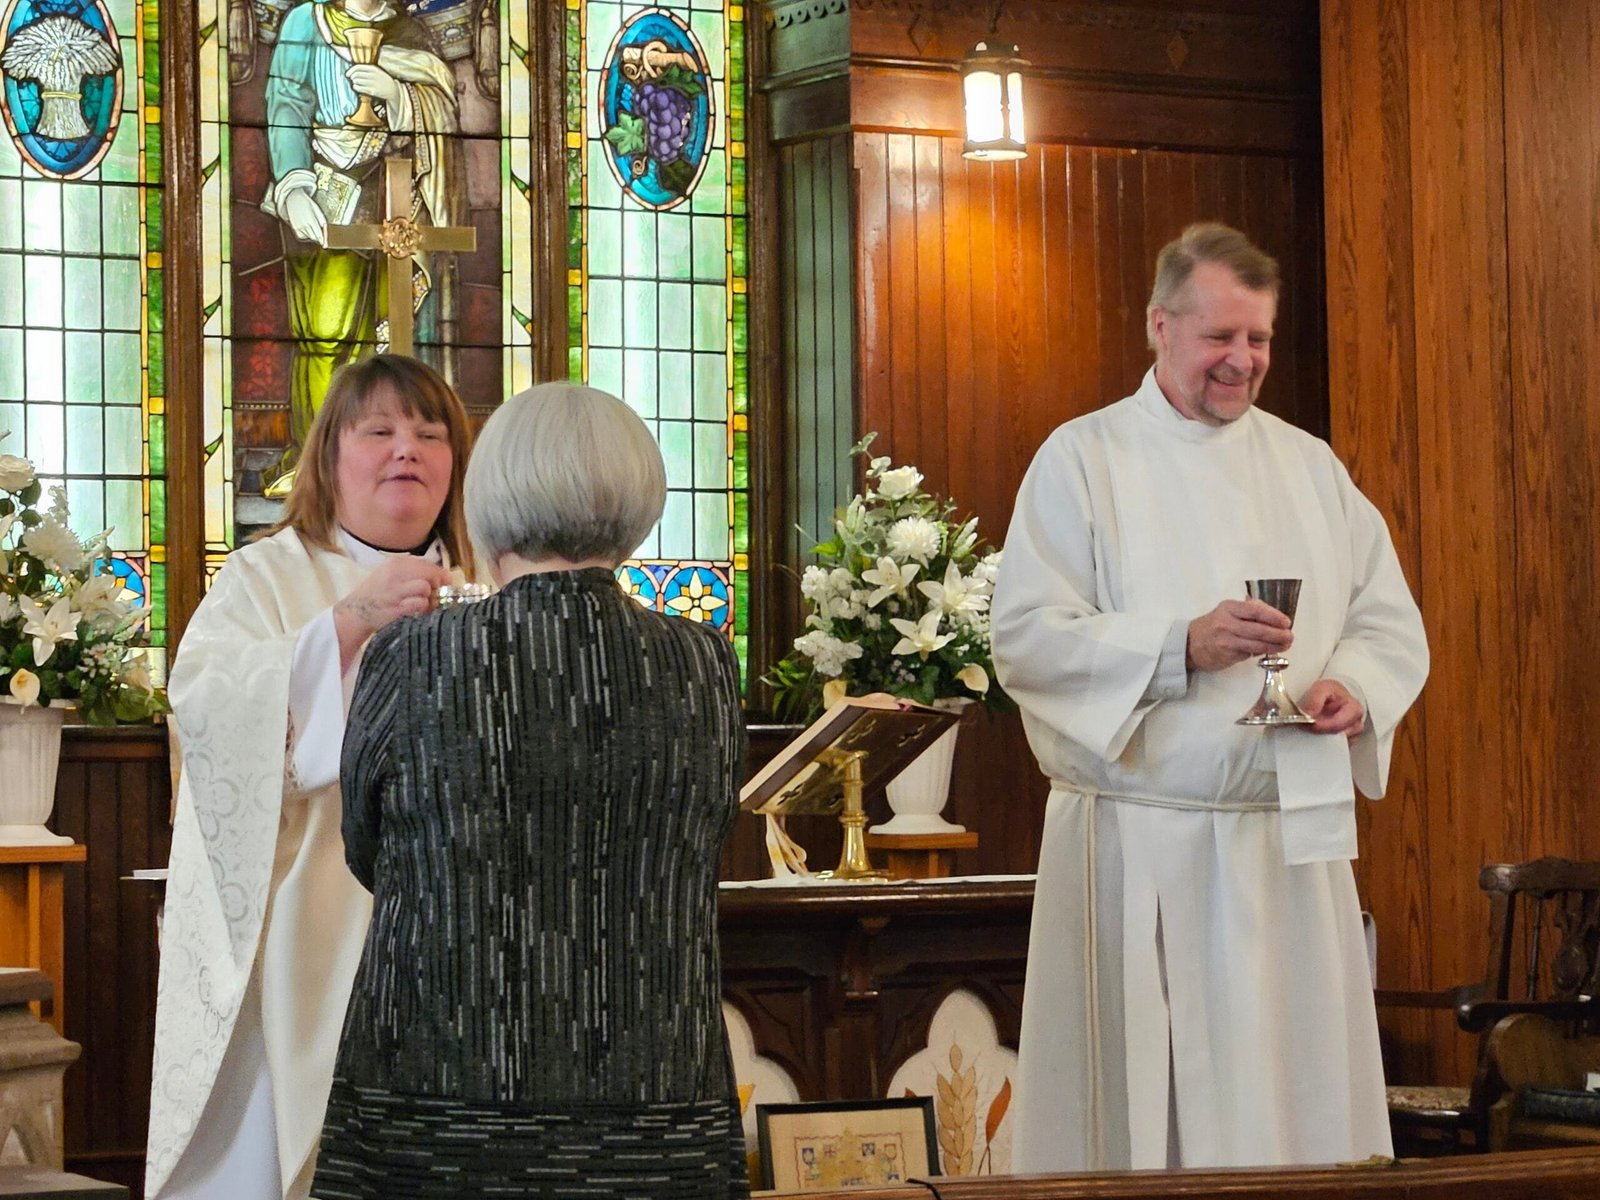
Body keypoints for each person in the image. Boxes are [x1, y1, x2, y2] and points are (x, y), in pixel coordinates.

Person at [991, 223, 1429, 1172]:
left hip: (1289, 853)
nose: (1242, 361)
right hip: (1146, 843)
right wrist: (1178, 645)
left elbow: (1388, 623)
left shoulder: (1310, 466)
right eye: (1220, 337)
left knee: (1295, 1108)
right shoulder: (1085, 460)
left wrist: (1352, 688)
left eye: (1259, 339)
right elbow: (1024, 639)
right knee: (1156, 1130)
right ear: (1160, 325)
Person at [310, 382, 749, 1199]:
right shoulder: (704, 664)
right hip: (653, 1108)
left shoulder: (413, 656)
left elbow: (366, 848)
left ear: (488, 499)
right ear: (637, 500)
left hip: (438, 1107)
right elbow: (709, 829)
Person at [146, 354, 474, 1200]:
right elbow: (207, 705)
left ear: (456, 465)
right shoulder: (267, 576)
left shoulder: (487, 584)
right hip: (302, 916)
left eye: (429, 434)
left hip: (463, 921)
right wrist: (349, 620)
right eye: (381, 431)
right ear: (331, 457)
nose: (408, 449)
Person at [261, 0, 465, 493]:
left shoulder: (409, 32)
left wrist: (398, 96)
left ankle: (392, 465)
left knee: (393, 331)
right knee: (325, 332)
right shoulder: (306, 23)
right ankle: (320, 464)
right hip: (323, 191)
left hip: (392, 189)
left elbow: (442, 112)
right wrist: (293, 186)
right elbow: (286, 101)